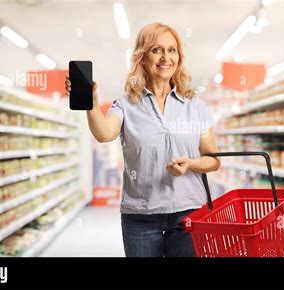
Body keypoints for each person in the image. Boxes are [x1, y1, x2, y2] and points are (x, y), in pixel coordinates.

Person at [65, 22, 220, 257]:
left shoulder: (196, 107)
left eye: (172, 50)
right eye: (156, 50)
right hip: (141, 216)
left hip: (189, 212)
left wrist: (191, 164)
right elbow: (104, 133)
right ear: (142, 56)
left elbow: (213, 158)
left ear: (179, 56)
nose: (165, 57)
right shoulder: (126, 105)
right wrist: (92, 103)